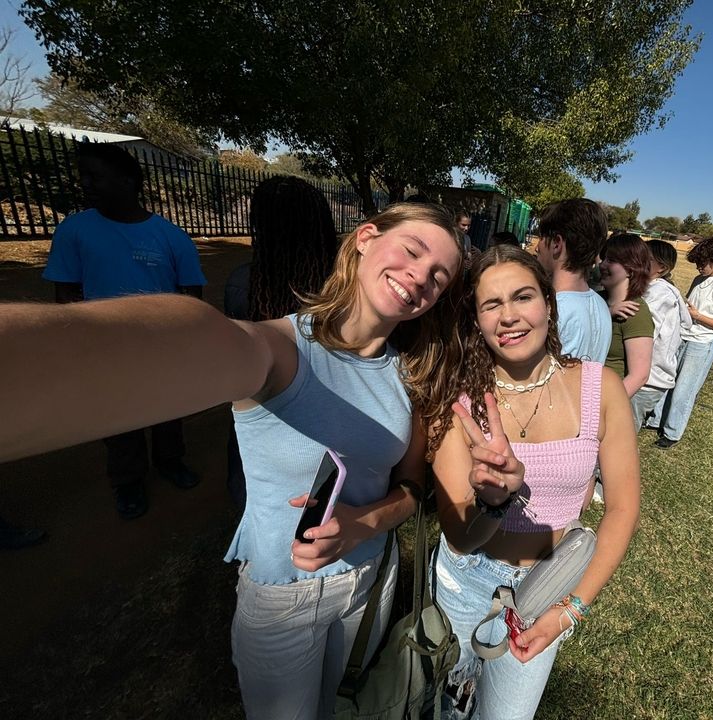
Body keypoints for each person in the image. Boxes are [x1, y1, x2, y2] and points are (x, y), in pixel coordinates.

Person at [1, 202, 466, 720]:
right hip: (286, 600)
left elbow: (410, 487)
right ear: (365, 238)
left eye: (438, 277)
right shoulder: (278, 348)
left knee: (343, 709)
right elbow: (199, 340)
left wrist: (366, 522)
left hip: (371, 584)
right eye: (412, 250)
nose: (419, 277)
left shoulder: (411, 373)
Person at [430, 245, 641, 720]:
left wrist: (570, 610)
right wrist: (493, 502)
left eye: (522, 297)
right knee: (447, 710)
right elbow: (460, 538)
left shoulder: (601, 388)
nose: (508, 316)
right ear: (477, 321)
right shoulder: (459, 400)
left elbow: (623, 508)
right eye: (491, 304)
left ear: (548, 303)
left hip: (548, 586)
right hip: (465, 583)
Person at [41, 141, 207, 520]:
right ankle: (128, 481)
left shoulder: (171, 237)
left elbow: (191, 294)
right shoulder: (75, 231)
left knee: (168, 408)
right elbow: (65, 291)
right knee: (118, 416)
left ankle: (170, 462)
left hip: (162, 345)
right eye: (83, 175)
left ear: (129, 180)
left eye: (96, 176)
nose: (86, 183)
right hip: (104, 345)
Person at [223, 175, 340, 510]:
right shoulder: (340, 287)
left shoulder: (243, 283)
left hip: (259, 409)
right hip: (324, 409)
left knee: (256, 491)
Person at [653, 237, 713, 448]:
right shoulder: (699, 279)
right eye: (697, 263)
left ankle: (672, 433)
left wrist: (697, 315)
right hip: (684, 337)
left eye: (703, 263)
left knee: (684, 389)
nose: (699, 267)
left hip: (702, 343)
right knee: (669, 379)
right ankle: (656, 420)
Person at [534, 199, 612, 362]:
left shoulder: (552, 308)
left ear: (556, 244)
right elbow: (592, 378)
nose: (536, 247)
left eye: (541, 237)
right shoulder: (601, 305)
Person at [598, 233, 656, 430]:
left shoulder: (635, 313)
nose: (603, 265)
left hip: (603, 402)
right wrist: (607, 313)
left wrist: (603, 407)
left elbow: (639, 375)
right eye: (604, 257)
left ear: (631, 269)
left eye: (612, 260)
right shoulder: (596, 299)